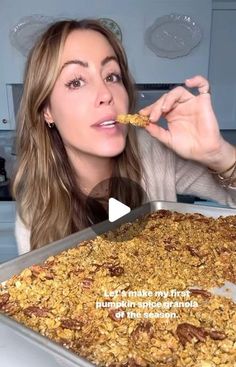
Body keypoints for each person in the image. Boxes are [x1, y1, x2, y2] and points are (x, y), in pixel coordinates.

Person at [12, 19, 236, 255]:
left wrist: (219, 154)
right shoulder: (34, 213)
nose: (106, 94)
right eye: (76, 82)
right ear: (47, 110)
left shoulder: (153, 153)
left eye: (111, 76)